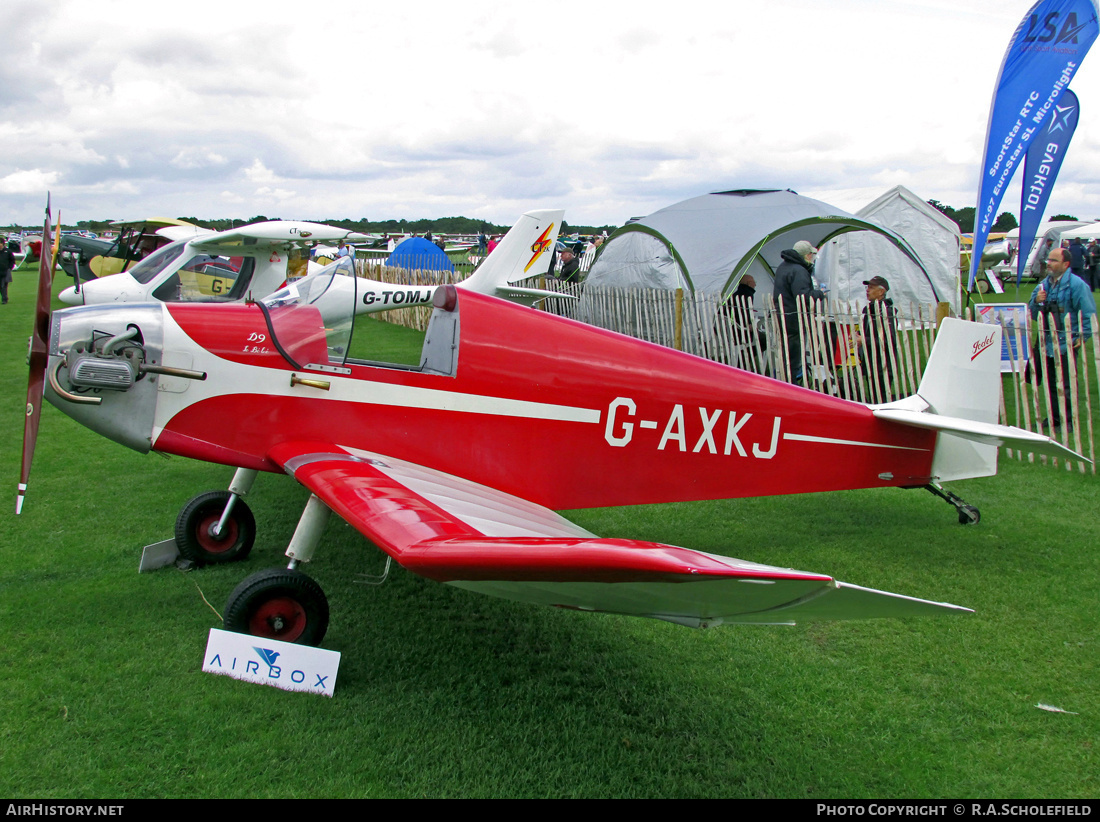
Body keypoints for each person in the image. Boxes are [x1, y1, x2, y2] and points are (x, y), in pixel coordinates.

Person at [1028, 246, 1097, 429]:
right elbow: (1032, 314)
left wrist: (1081, 337)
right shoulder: (1043, 285)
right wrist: (1036, 301)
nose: (1048, 263)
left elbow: (1089, 314)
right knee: (1049, 382)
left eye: (1053, 260)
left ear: (1066, 264)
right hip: (1046, 343)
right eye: (1048, 260)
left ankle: (1067, 420)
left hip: (1067, 343)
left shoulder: (1077, 285)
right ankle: (1053, 417)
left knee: (1065, 383)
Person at [772, 240, 824, 383]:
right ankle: (791, 384)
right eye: (811, 255)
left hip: (783, 314)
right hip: (794, 319)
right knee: (793, 355)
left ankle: (784, 380)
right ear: (807, 255)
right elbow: (803, 296)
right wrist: (819, 294)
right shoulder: (799, 270)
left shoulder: (783, 267)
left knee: (785, 353)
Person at [856, 276, 898, 402]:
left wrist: (864, 340)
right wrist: (857, 335)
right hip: (870, 361)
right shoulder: (870, 310)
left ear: (881, 292)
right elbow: (867, 331)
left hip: (883, 363)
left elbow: (887, 340)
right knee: (873, 396)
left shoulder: (887, 312)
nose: (867, 290)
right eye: (867, 287)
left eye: (871, 287)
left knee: (881, 398)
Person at [0, 240, 16, 305]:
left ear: (3, 244)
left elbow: (12, 260)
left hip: (5, 272)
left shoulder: (8, 251)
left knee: (3, 286)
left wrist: (9, 268)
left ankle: (4, 299)